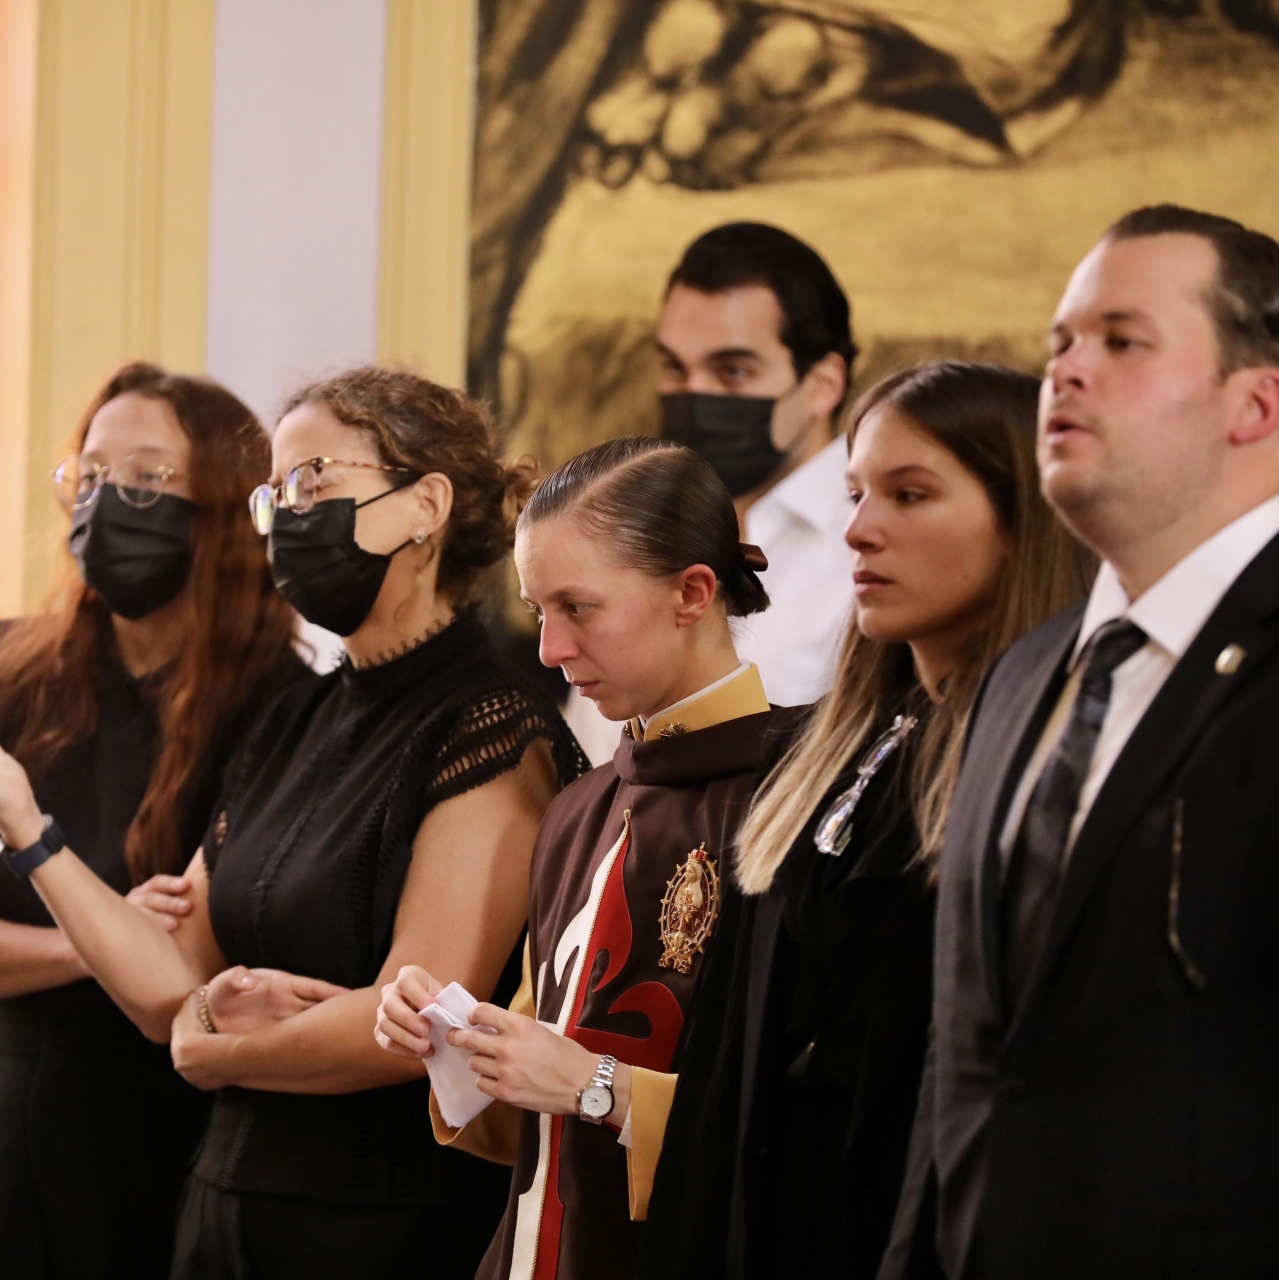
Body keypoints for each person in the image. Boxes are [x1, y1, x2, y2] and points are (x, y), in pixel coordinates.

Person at [0, 366, 589, 1280]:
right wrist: (25, 826)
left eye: (313, 482)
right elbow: (170, 977)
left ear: (426, 506)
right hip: (223, 1208)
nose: (287, 517)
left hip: (380, 1222)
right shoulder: (296, 715)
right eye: (273, 495)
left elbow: (418, 1016)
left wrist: (213, 1046)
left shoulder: (490, 723)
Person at [881, 205, 1279, 1279]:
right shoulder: (1020, 672)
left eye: (1122, 339)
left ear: (1257, 404)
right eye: (1061, 341)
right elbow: (963, 1060)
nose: (1066, 369)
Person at [640, 362, 1093, 1280]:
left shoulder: (1057, 762)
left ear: (1022, 520)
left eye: (909, 494)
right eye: (855, 494)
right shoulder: (822, 745)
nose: (858, 529)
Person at [0, 364, 299, 1279]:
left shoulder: (282, 706)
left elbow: (176, 980)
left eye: (148, 479)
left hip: (184, 1117)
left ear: (223, 508)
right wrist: (97, 937)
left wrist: (108, 938)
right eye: (90, 475)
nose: (107, 502)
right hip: (15, 1115)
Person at [375, 435, 800, 1279]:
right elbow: (532, 1125)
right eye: (539, 611)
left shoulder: (794, 794)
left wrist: (595, 1086)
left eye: (578, 607)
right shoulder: (577, 810)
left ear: (692, 592)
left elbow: (804, 1130)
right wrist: (456, 1046)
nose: (549, 649)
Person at [565, 221, 858, 763]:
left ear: (823, 385)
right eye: (675, 368)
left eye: (732, 371)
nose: (696, 395)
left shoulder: (870, 548)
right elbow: (588, 751)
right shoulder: (636, 524)